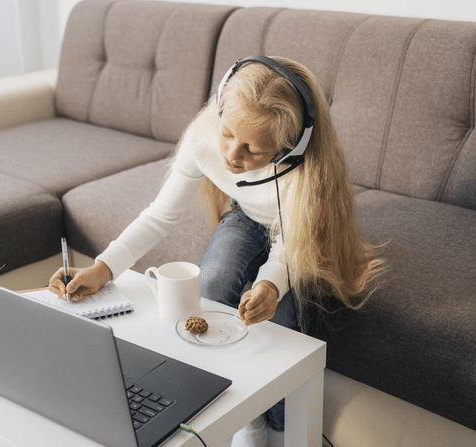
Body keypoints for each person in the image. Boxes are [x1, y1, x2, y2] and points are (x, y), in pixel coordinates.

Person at [49, 56, 385, 446]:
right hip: (246, 215)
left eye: (254, 150)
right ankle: (248, 421)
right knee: (211, 284)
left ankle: (281, 431)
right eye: (227, 134)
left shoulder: (303, 172)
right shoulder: (203, 136)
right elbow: (159, 216)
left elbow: (291, 244)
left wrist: (271, 285)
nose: (231, 155)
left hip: (302, 232)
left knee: (281, 322)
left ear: (289, 149)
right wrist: (102, 269)